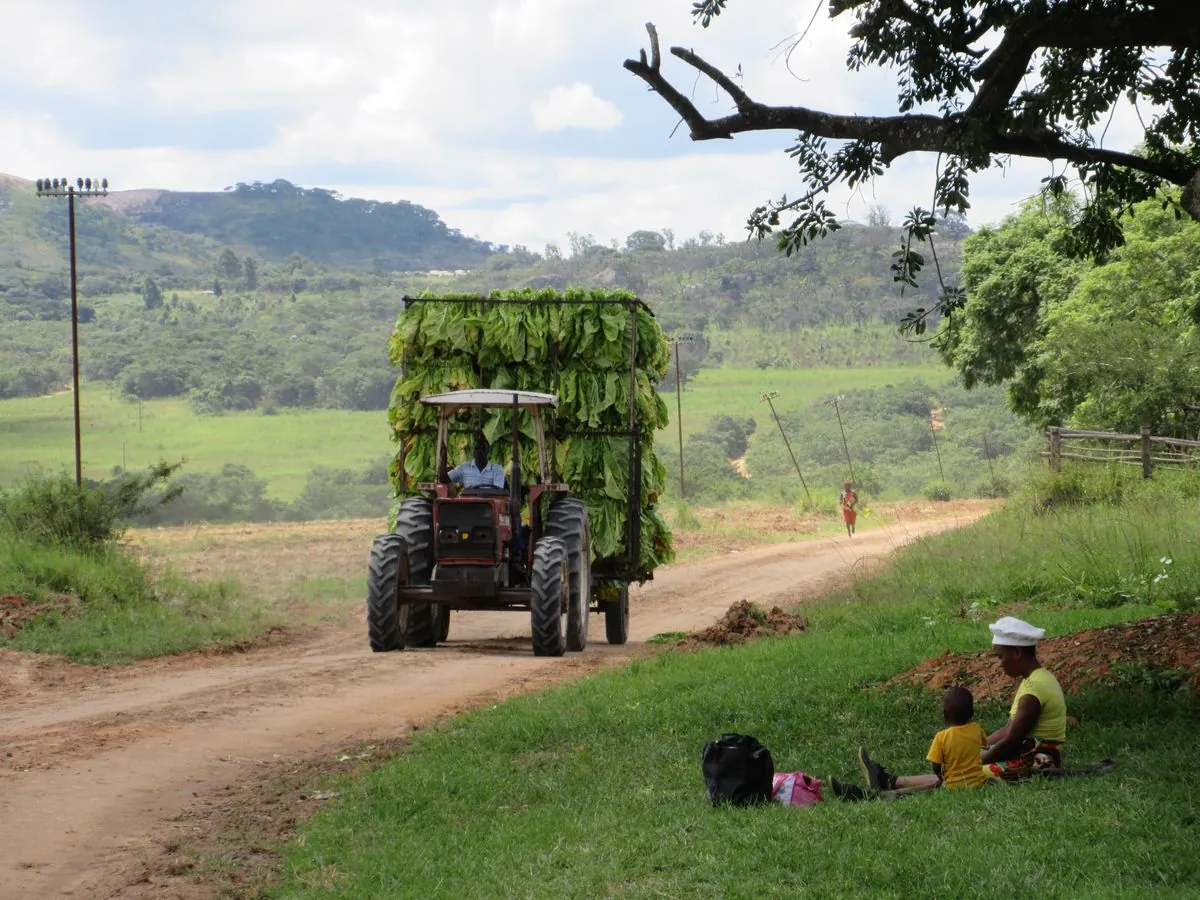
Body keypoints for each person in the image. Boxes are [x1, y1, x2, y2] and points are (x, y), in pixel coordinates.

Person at [856, 616, 1067, 795]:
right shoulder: (1035, 680)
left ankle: (890, 787)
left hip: (1038, 763)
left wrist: (977, 760)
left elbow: (1012, 741)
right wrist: (977, 747)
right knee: (963, 769)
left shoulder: (1033, 690)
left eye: (1001, 656)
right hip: (1029, 756)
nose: (999, 663)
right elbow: (1008, 730)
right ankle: (889, 781)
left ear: (1017, 653)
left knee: (964, 775)